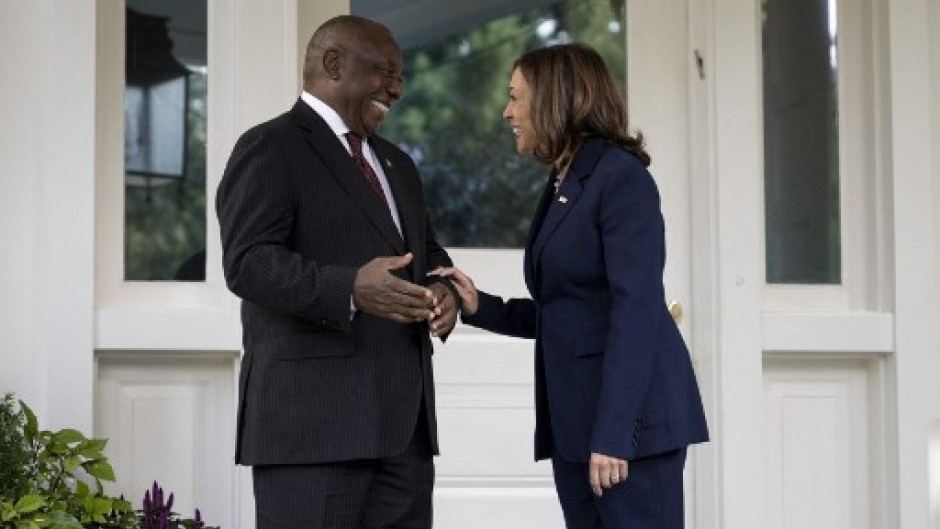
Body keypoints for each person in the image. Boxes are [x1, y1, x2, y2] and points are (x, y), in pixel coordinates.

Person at [431, 43, 709, 529]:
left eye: (517, 96)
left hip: (627, 431)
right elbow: (569, 310)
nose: (507, 111)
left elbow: (636, 309)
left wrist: (616, 434)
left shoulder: (620, 178)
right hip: (578, 428)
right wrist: (482, 307)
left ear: (557, 99)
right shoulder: (563, 182)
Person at [216, 15, 459, 529]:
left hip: (404, 435)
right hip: (313, 432)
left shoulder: (398, 164)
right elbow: (248, 261)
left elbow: (424, 250)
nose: (397, 88)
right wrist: (348, 287)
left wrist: (442, 287)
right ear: (333, 64)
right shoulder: (270, 146)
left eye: (400, 76)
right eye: (385, 71)